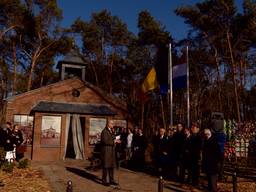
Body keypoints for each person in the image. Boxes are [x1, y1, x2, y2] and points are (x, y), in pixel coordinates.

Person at [100, 119, 119, 186]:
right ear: (108, 124)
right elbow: (105, 141)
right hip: (106, 152)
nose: (113, 125)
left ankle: (111, 180)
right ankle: (104, 181)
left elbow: (113, 138)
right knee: (106, 166)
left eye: (113, 123)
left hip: (112, 152)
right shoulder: (104, 131)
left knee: (111, 166)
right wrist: (114, 142)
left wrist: (116, 139)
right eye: (112, 123)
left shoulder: (111, 131)